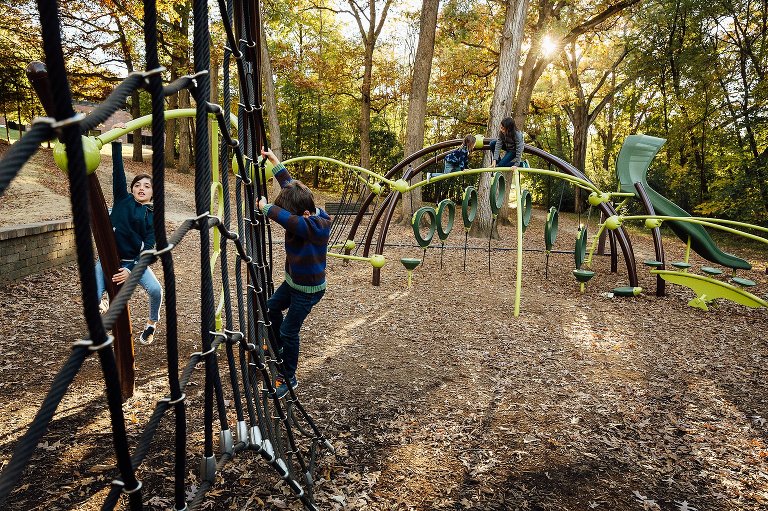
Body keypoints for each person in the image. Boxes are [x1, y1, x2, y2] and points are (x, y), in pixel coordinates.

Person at [257, 148, 331, 399]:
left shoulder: (313, 225)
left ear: (306, 214)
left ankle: (288, 377)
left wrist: (267, 209)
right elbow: (290, 186)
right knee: (271, 307)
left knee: (290, 330)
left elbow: (289, 220)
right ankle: (277, 347)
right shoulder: (305, 205)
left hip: (308, 291)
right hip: (293, 282)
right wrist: (275, 162)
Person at [95, 148, 163, 346]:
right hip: (109, 258)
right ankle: (103, 314)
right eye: (137, 185)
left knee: (156, 290)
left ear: (153, 192)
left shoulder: (152, 216)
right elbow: (119, 171)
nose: (141, 188)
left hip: (133, 261)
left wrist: (130, 270)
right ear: (131, 189)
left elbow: (149, 248)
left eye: (147, 186)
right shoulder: (122, 200)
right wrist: (117, 141)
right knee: (94, 294)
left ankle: (151, 324)